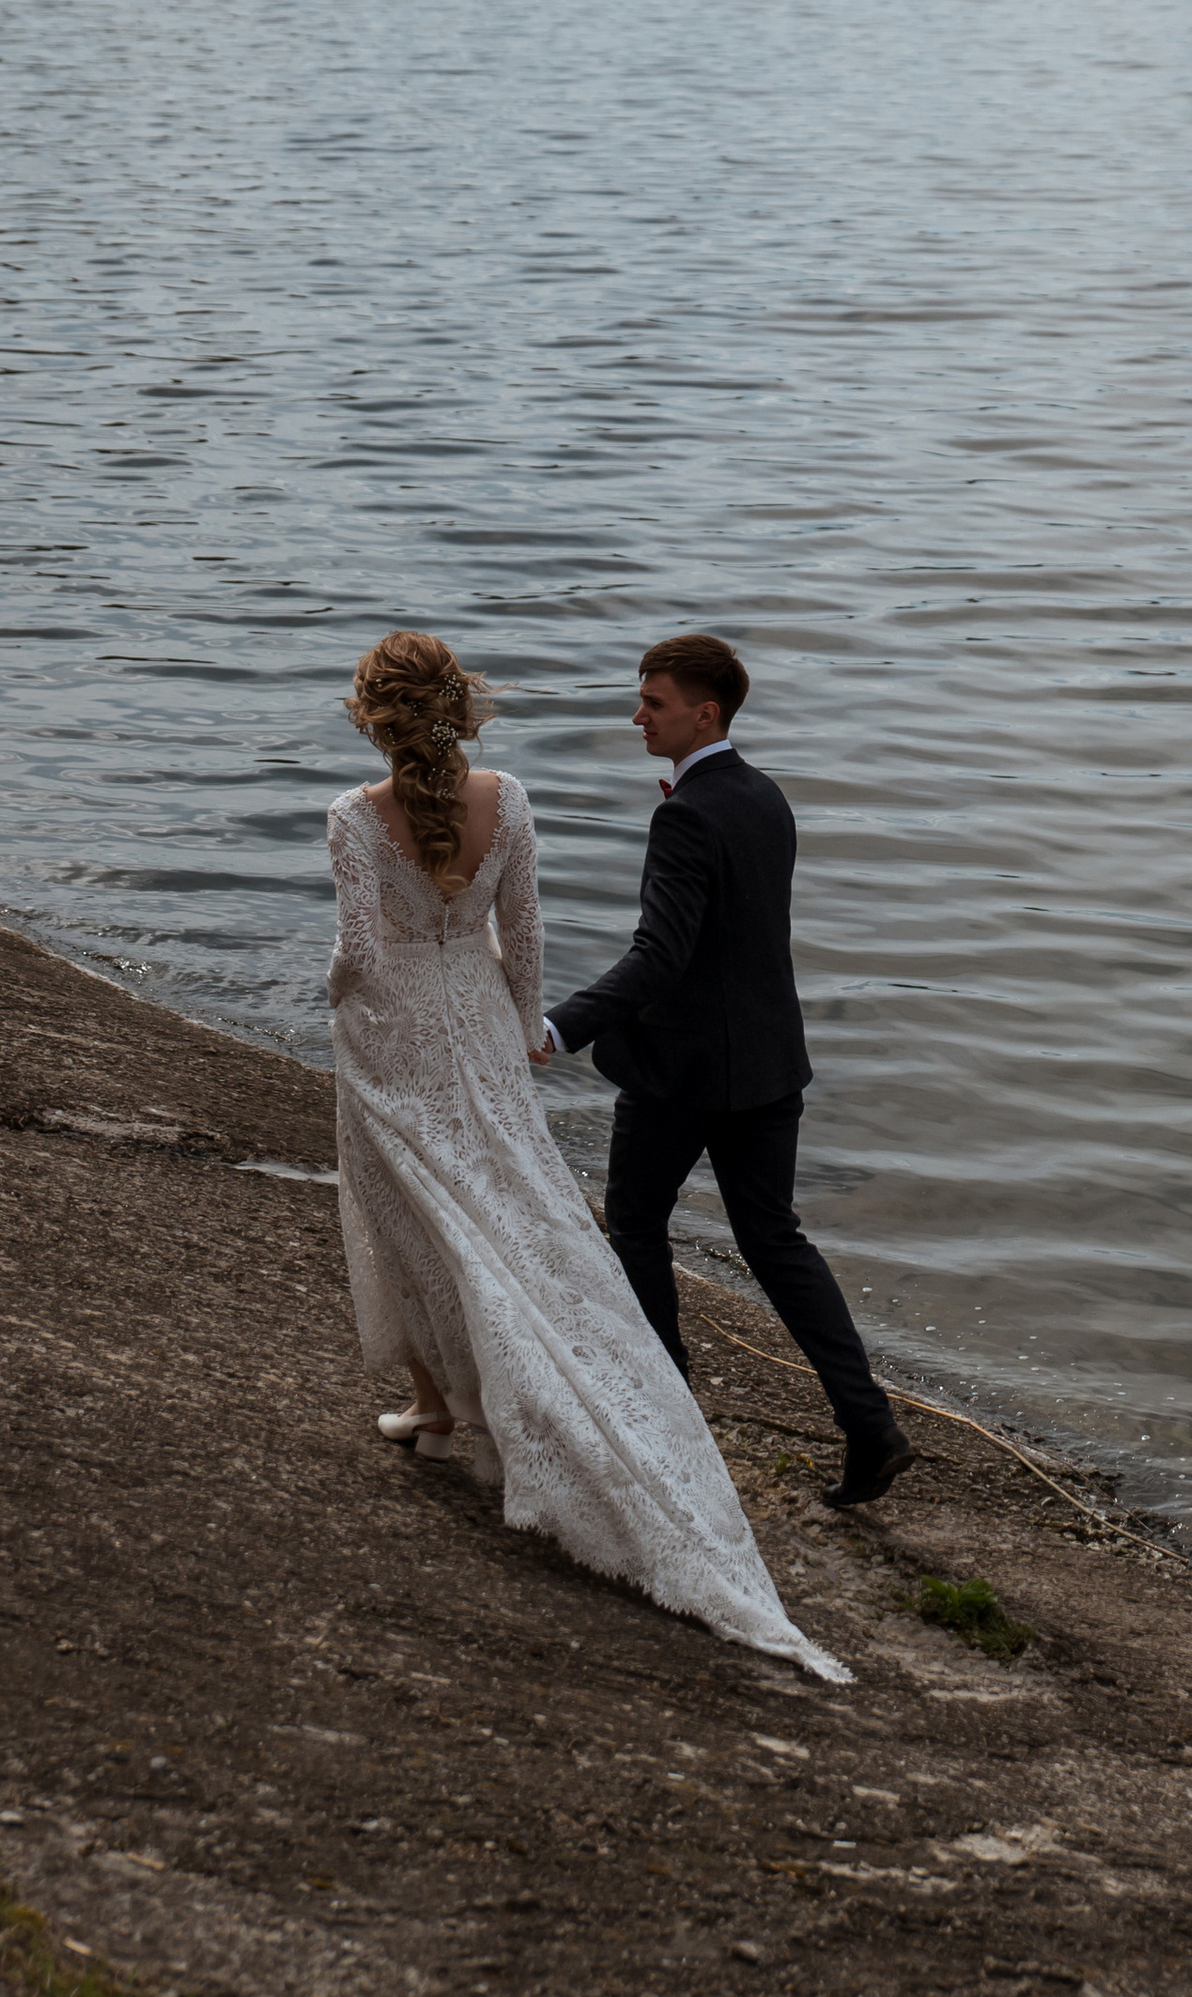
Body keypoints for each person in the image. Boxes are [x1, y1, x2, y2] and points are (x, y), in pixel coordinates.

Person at [322, 628, 847, 1683]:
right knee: (513, 1208)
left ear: (374, 718)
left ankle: (440, 1404)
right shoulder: (509, 798)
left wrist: (334, 995)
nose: (638, 713)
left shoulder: (353, 816)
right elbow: (525, 932)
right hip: (483, 1020)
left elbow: (359, 954)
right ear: (459, 707)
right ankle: (446, 1409)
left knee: (408, 1208)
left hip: (391, 1032)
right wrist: (529, 1029)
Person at [543, 632, 915, 1513]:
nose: (638, 716)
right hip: (769, 1065)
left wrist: (560, 1025)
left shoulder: (686, 814)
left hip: (683, 1073)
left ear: (704, 714)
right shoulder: (765, 795)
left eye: (654, 703)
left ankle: (665, 1412)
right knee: (775, 1239)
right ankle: (871, 1426)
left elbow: (660, 954)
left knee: (637, 1223)